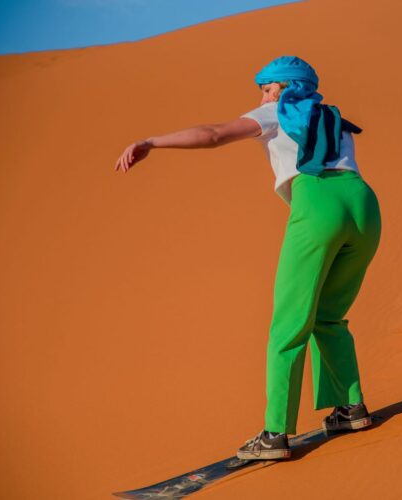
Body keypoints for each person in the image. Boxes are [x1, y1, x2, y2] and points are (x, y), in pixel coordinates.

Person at [115, 56, 381, 460]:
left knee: (289, 323)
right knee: (329, 316)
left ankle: (275, 434)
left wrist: (151, 141)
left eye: (265, 86)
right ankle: (351, 408)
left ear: (282, 86)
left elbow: (213, 134)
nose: (260, 93)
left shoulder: (277, 110)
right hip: (364, 206)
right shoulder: (331, 117)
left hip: (318, 207)